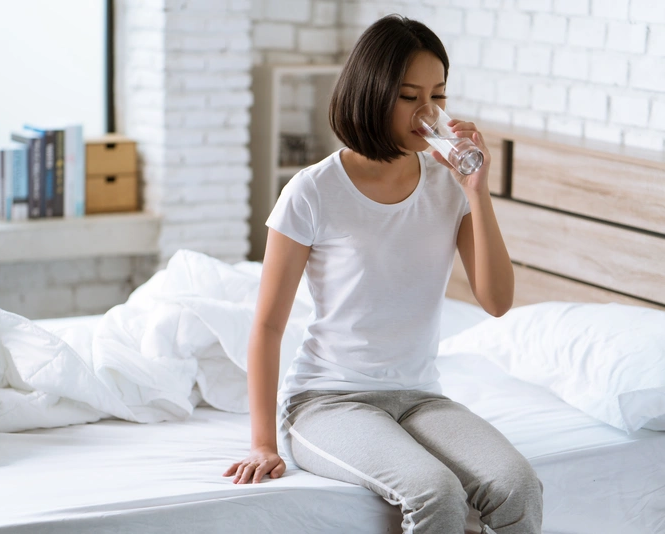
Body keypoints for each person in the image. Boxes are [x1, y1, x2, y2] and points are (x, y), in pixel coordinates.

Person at [223, 14, 543, 534]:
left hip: (420, 397)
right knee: (435, 493)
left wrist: (477, 191)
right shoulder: (313, 190)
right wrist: (262, 443)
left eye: (438, 96)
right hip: (328, 402)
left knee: (518, 486)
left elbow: (497, 300)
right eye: (409, 97)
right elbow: (267, 327)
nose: (429, 113)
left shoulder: (448, 188)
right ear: (372, 94)